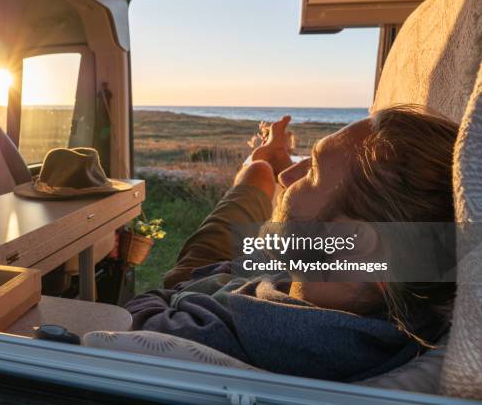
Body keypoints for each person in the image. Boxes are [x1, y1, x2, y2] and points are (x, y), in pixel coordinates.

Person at [125, 105, 458, 381]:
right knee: (261, 173)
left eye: (312, 171)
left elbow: (134, 312)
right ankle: (267, 160)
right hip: (259, 267)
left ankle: (260, 162)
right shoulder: (392, 310)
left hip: (200, 277)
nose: (290, 178)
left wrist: (200, 282)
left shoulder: (226, 335)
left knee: (256, 175)